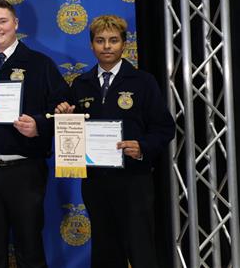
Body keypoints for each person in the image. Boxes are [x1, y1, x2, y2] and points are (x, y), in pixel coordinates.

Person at [54, 14, 174, 268]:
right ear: (91, 45)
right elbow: (72, 133)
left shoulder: (143, 82)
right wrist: (65, 119)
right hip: (96, 182)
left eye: (113, 40)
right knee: (105, 252)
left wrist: (142, 147)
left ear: (124, 44)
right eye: (100, 40)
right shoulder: (81, 84)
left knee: (141, 250)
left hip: (134, 180)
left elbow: (164, 128)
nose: (107, 46)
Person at [0, 0, 68, 268]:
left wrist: (39, 125)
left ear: (15, 23)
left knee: (29, 249)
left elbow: (65, 110)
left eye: (2, 21)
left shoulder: (40, 64)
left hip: (24, 172)